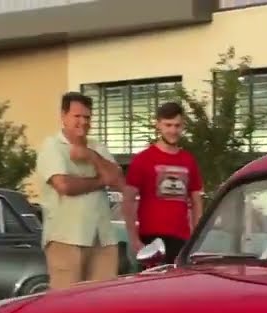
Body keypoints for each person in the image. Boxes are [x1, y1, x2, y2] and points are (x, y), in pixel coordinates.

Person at [37, 91, 124, 289]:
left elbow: (119, 182)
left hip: (102, 238)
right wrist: (100, 181)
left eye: (87, 117)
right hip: (66, 239)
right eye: (77, 116)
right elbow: (64, 186)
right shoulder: (52, 147)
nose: (83, 122)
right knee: (66, 305)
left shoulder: (97, 147)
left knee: (103, 303)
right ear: (63, 116)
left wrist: (91, 156)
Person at [122, 101, 204, 263]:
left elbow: (197, 201)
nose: (173, 130)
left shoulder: (188, 160)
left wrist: (196, 238)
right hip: (151, 238)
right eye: (168, 125)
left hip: (182, 238)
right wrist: (133, 239)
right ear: (158, 125)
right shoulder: (142, 160)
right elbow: (128, 200)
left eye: (177, 125)